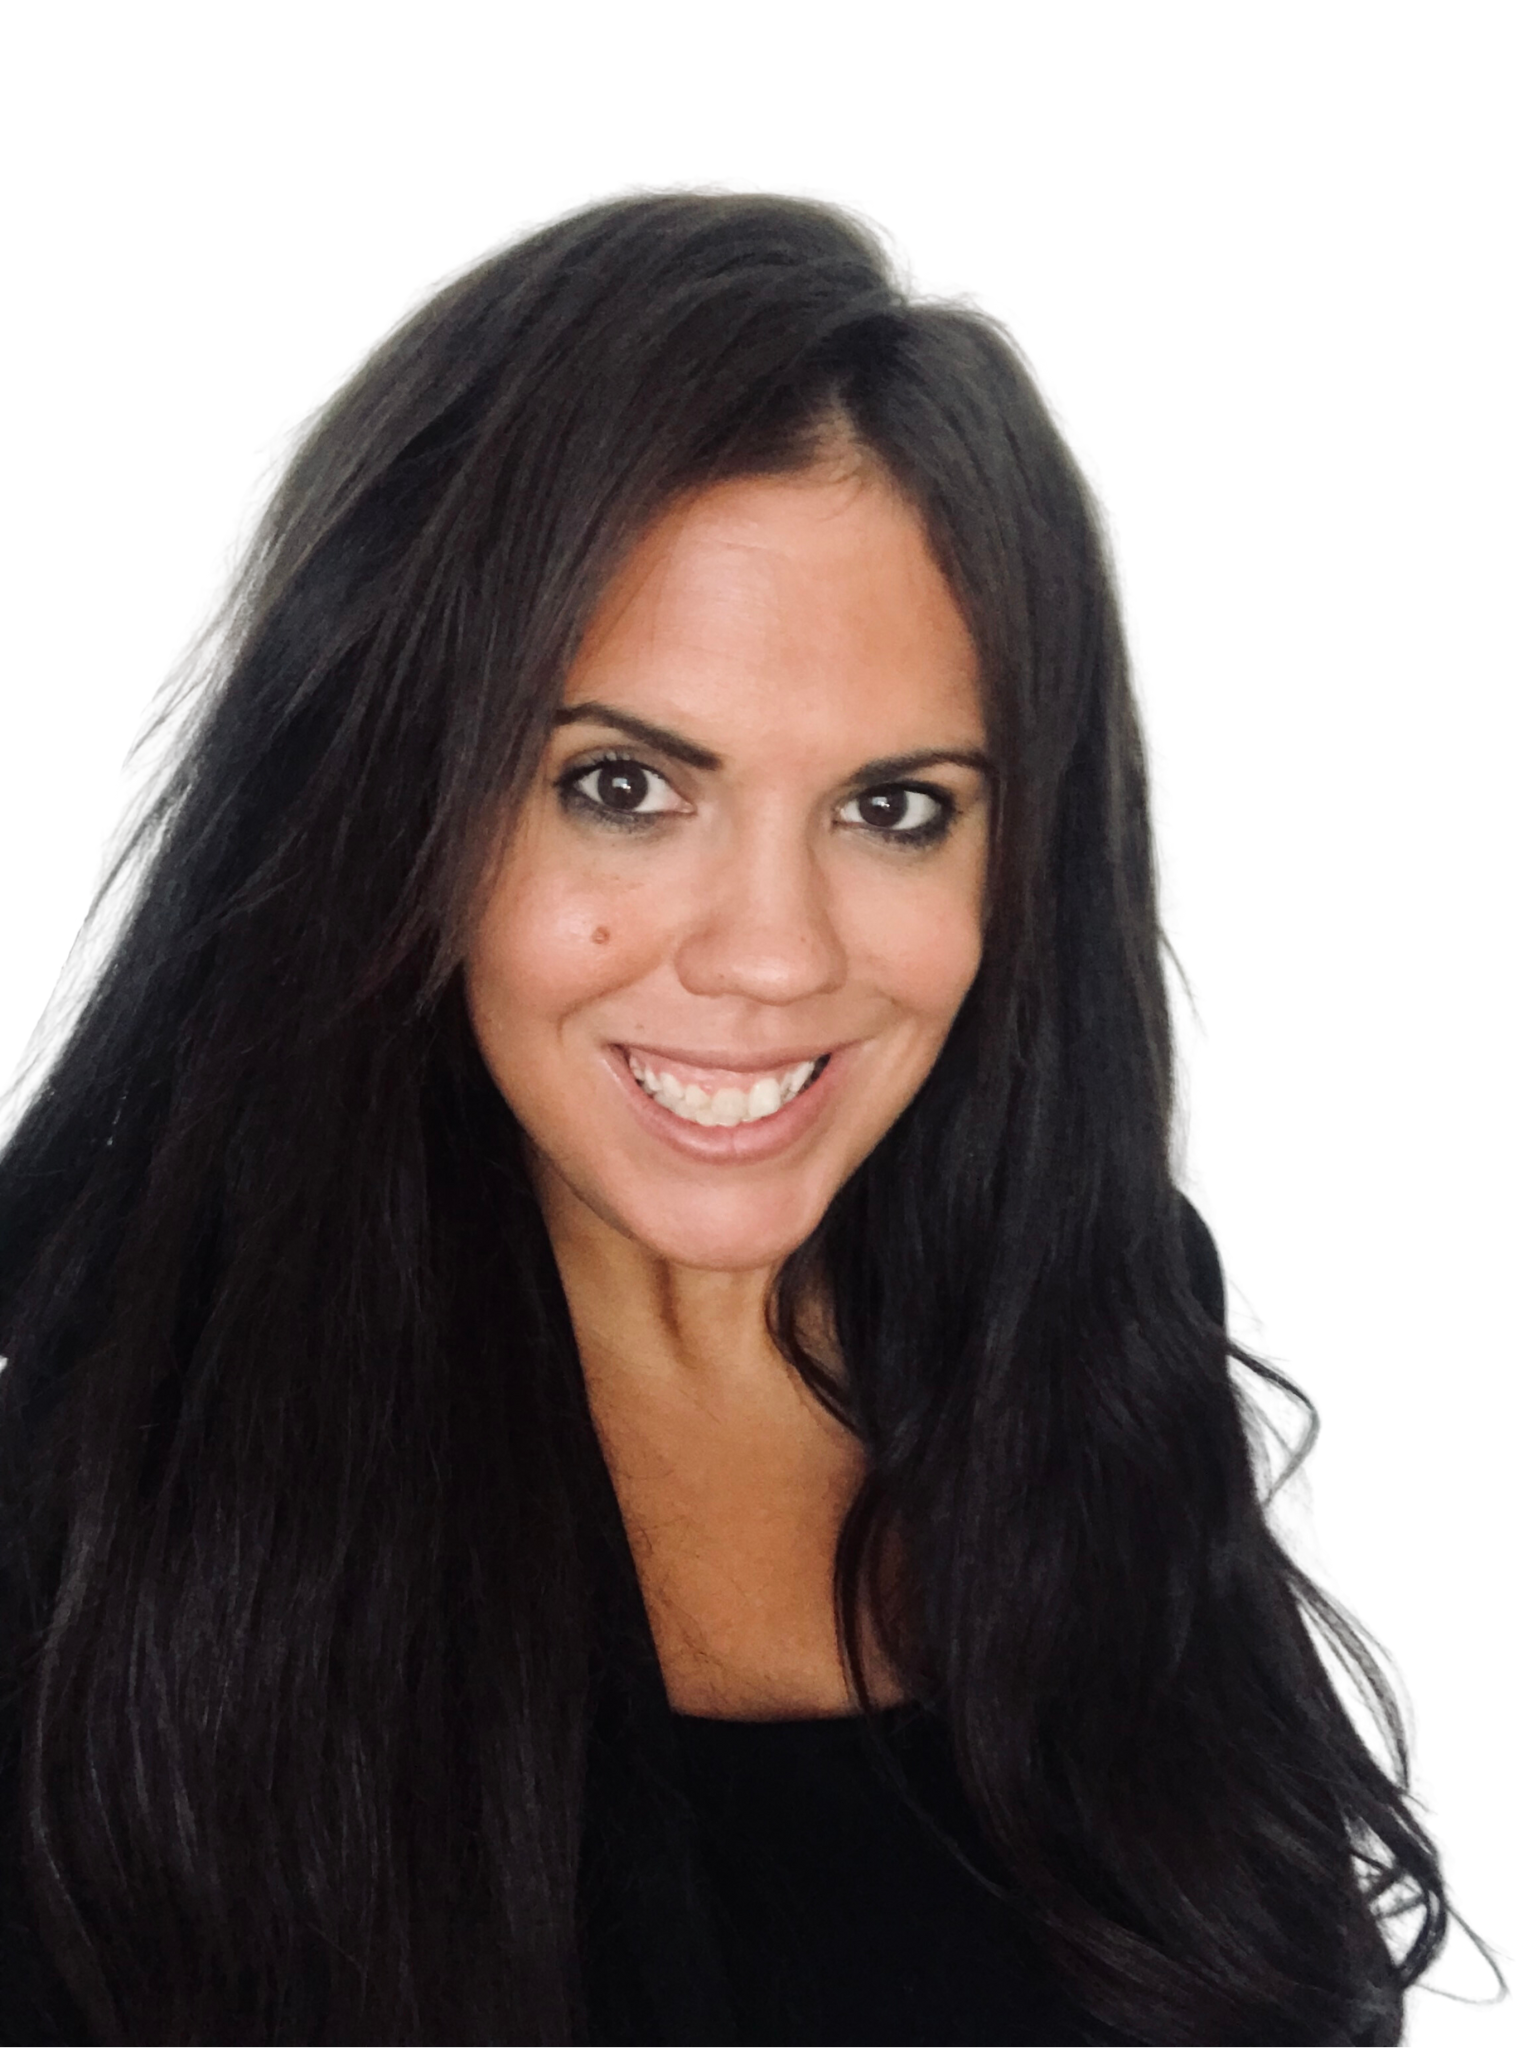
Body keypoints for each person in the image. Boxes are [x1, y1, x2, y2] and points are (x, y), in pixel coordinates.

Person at [0, 192, 1447, 2045]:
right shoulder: (96, 1505)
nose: (773, 955)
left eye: (897, 808)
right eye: (622, 785)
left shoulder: (1074, 1329)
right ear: (379, 800)